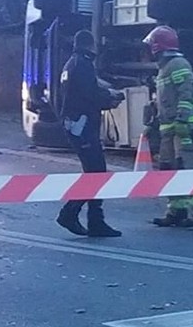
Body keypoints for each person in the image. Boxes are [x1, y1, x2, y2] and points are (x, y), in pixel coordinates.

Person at [143, 25, 193, 228]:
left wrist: (182, 120)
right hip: (169, 130)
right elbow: (166, 101)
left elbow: (187, 91)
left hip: (182, 130)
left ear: (157, 47)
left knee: (187, 168)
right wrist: (154, 123)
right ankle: (177, 210)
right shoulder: (165, 68)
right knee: (168, 169)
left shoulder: (177, 64)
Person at [57, 30, 124, 238]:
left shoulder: (72, 63)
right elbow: (90, 94)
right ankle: (76, 215)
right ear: (91, 45)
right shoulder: (83, 64)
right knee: (96, 173)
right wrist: (111, 98)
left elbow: (82, 91)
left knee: (94, 172)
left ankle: (90, 219)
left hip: (76, 124)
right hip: (83, 125)